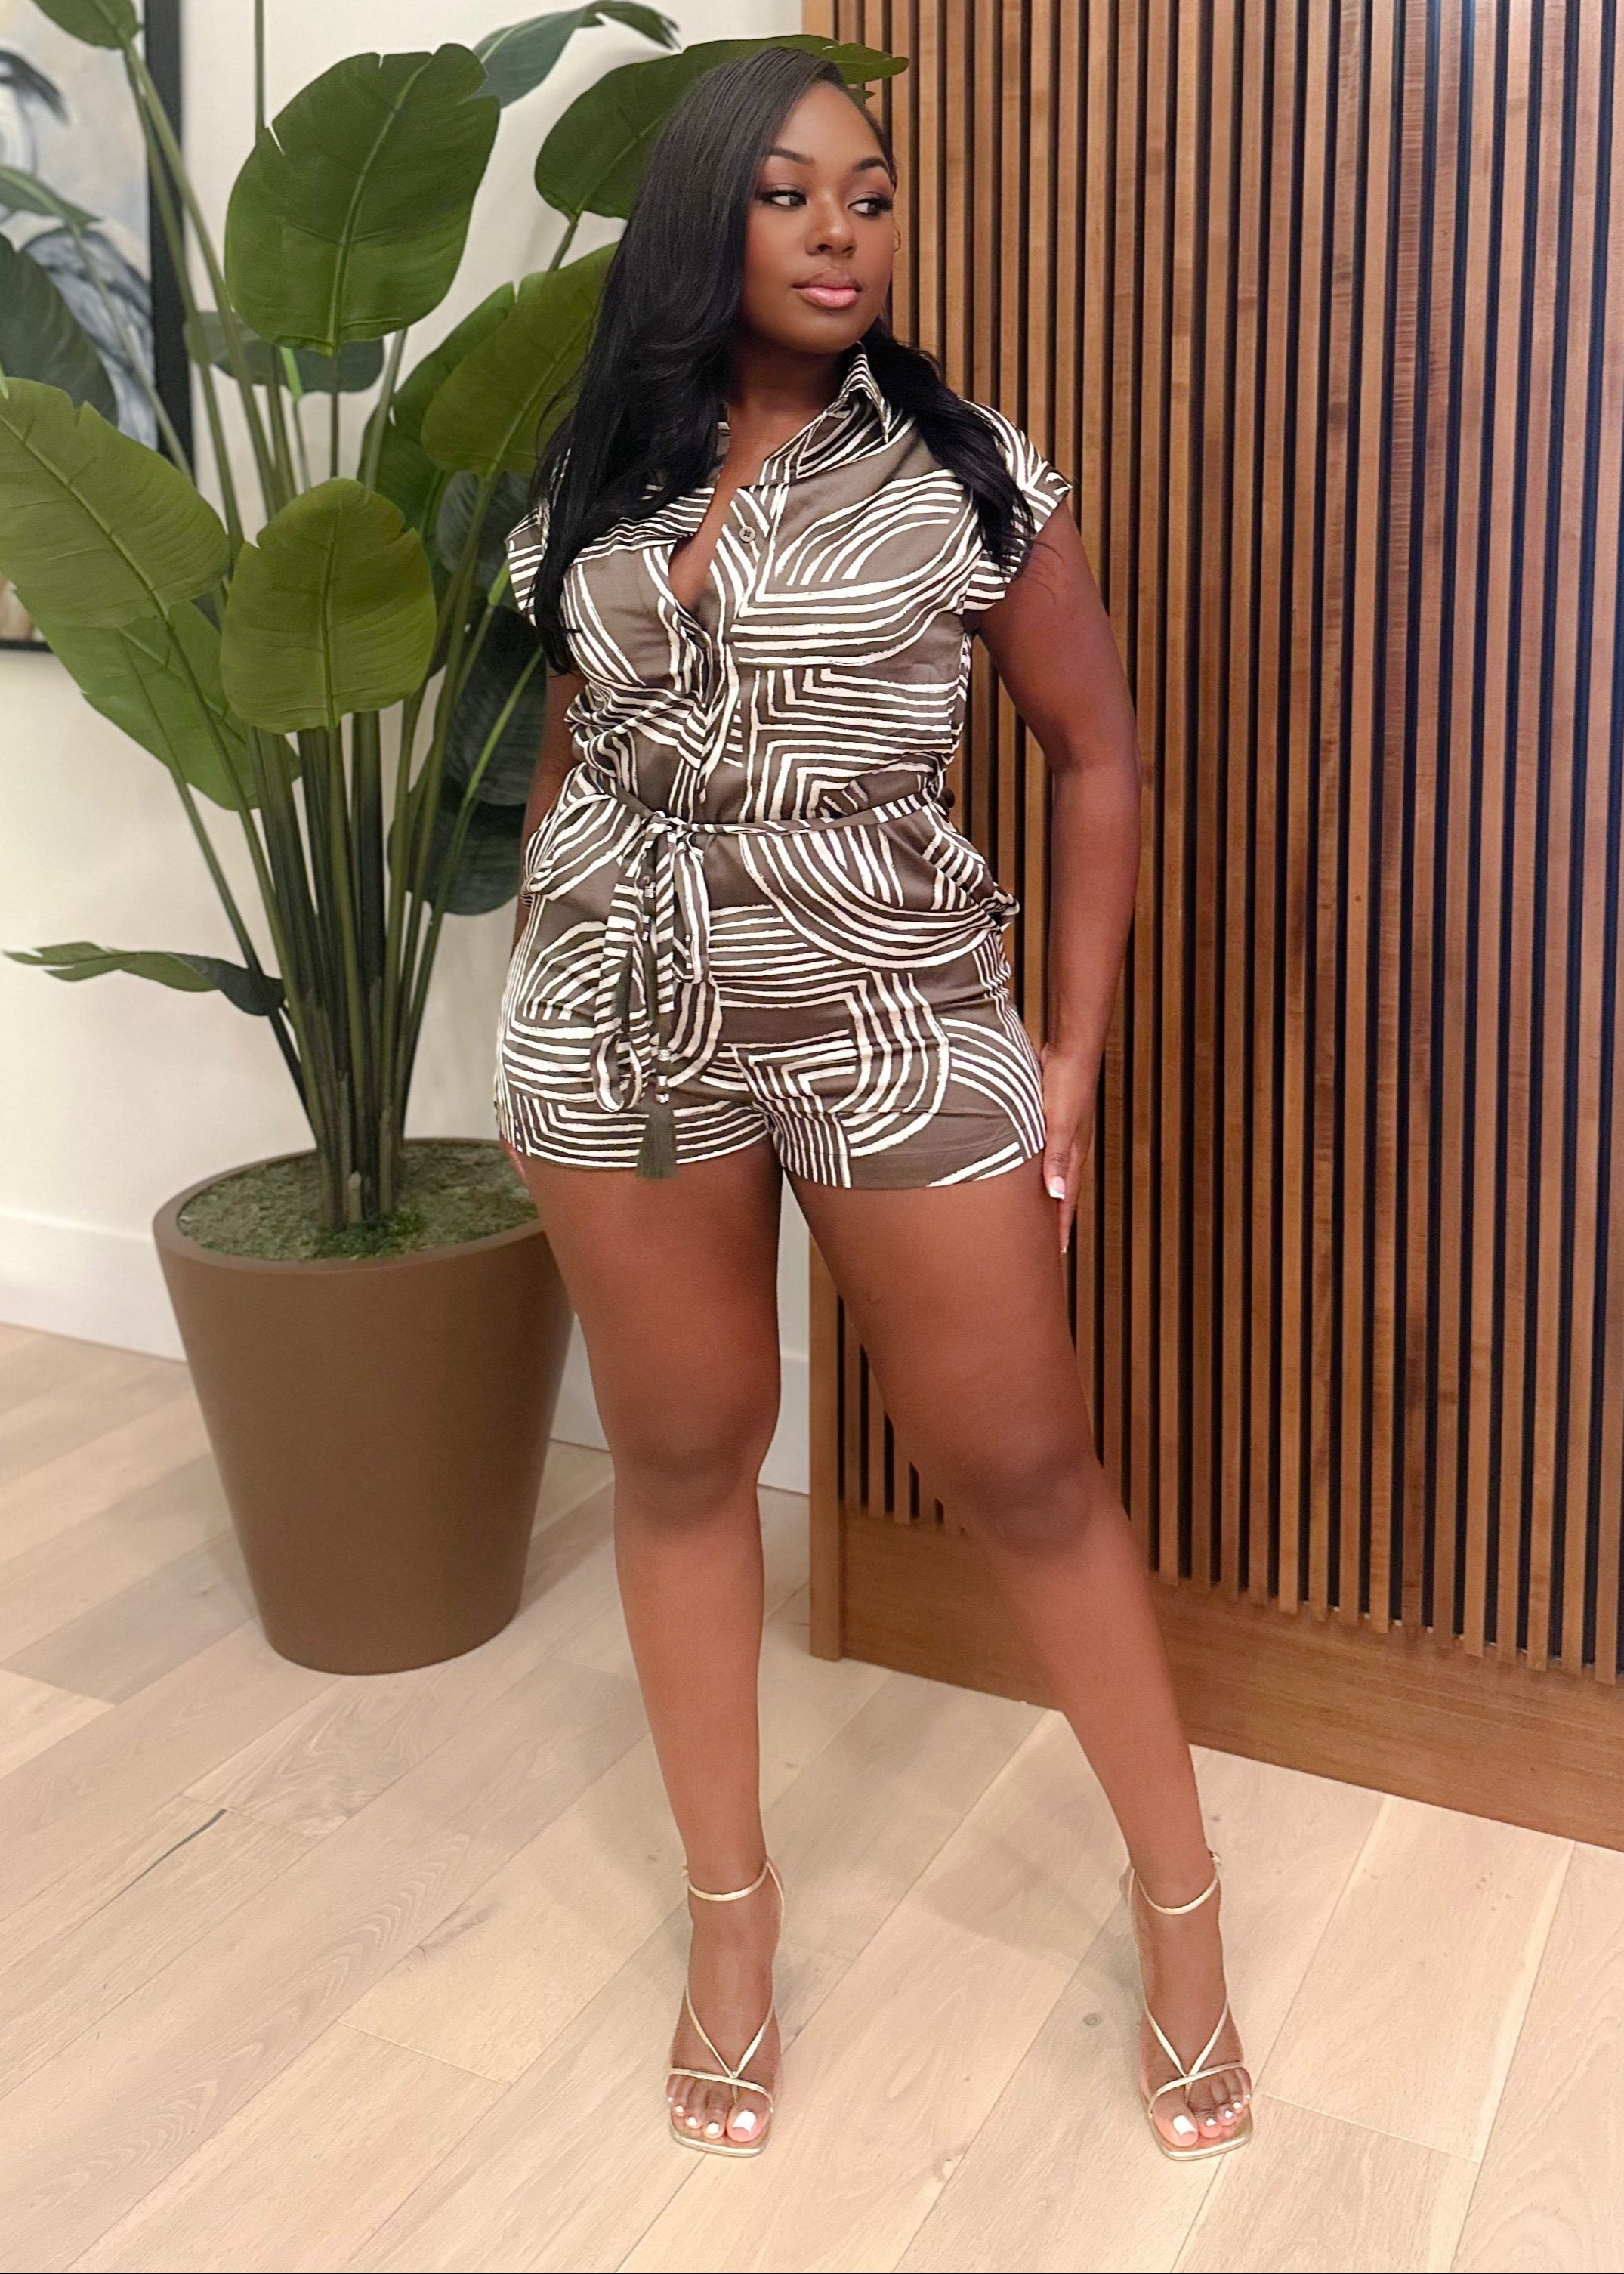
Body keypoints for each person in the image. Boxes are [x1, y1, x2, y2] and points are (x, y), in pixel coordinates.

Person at [495, 45, 1252, 2165]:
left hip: (891, 1005)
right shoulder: (602, 468)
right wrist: (539, 991)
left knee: (1023, 1466)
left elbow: (1097, 757)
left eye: (875, 193)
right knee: (680, 1451)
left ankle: (1181, 1912)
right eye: (792, 193)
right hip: (616, 1011)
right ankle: (732, 1932)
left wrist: (1069, 1056)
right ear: (704, 220)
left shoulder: (971, 473)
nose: (843, 230)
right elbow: (576, 735)